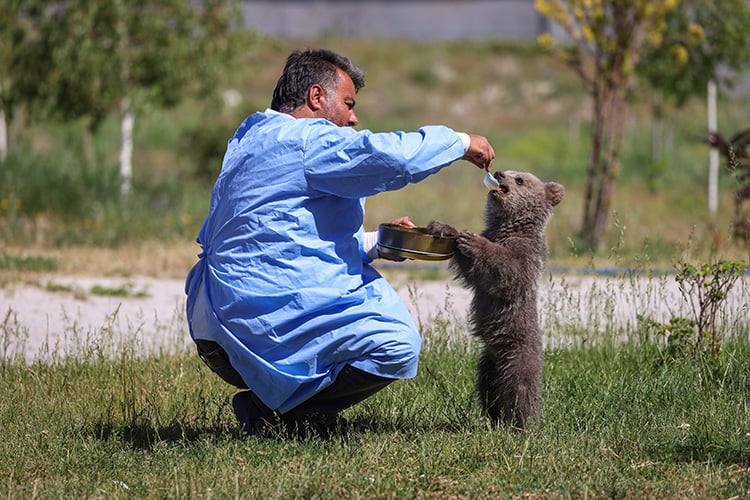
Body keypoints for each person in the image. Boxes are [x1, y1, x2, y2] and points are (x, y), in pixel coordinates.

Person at [185, 48, 495, 437]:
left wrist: (378, 245)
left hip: (213, 331)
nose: (354, 117)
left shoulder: (252, 136)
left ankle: (279, 408)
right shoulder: (305, 140)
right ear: (317, 97)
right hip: (255, 329)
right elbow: (390, 159)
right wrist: (459, 142)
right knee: (397, 346)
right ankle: (284, 411)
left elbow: (281, 242)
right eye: (348, 104)